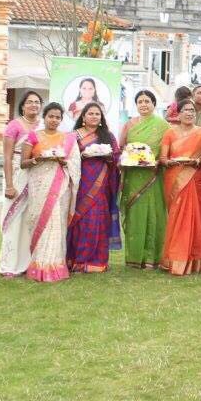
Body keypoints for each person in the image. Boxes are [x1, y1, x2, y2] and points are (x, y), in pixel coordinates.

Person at [21, 103, 79, 282]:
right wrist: (37, 159)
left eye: (57, 117)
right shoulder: (32, 136)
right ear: (44, 117)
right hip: (39, 185)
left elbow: (75, 163)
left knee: (56, 223)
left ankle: (54, 265)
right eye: (50, 116)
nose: (54, 120)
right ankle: (38, 264)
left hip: (60, 186)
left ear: (61, 119)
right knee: (40, 221)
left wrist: (64, 162)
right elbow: (23, 163)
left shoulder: (68, 138)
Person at [66, 103, 121, 273]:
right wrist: (81, 156)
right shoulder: (73, 136)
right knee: (80, 220)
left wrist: (111, 157)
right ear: (83, 117)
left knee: (98, 219)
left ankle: (96, 261)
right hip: (80, 184)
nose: (95, 116)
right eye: (91, 113)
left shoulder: (108, 136)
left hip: (101, 186)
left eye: (98, 114)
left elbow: (116, 156)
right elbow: (67, 156)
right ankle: (77, 259)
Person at [119, 90, 169, 270]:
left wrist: (156, 161)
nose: (143, 105)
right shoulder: (129, 124)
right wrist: (126, 159)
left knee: (154, 214)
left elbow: (168, 149)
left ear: (154, 104)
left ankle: (152, 257)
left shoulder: (163, 126)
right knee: (136, 215)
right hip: (133, 175)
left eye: (147, 101)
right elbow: (122, 147)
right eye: (140, 101)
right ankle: (134, 257)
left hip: (154, 175)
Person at [160, 99, 201, 275]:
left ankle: (197, 260)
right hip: (175, 179)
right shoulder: (169, 133)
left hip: (196, 179)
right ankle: (176, 259)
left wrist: (195, 161)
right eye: (186, 110)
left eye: (192, 110)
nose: (189, 113)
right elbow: (163, 159)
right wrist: (172, 162)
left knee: (198, 218)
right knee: (177, 218)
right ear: (178, 114)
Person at [0, 91, 42, 278]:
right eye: (30, 102)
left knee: (30, 221)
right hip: (16, 172)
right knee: (13, 219)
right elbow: (7, 156)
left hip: (37, 174)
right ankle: (8, 265)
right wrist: (9, 184)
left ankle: (26, 263)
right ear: (22, 106)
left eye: (37, 102)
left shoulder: (43, 126)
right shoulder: (14, 125)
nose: (33, 105)